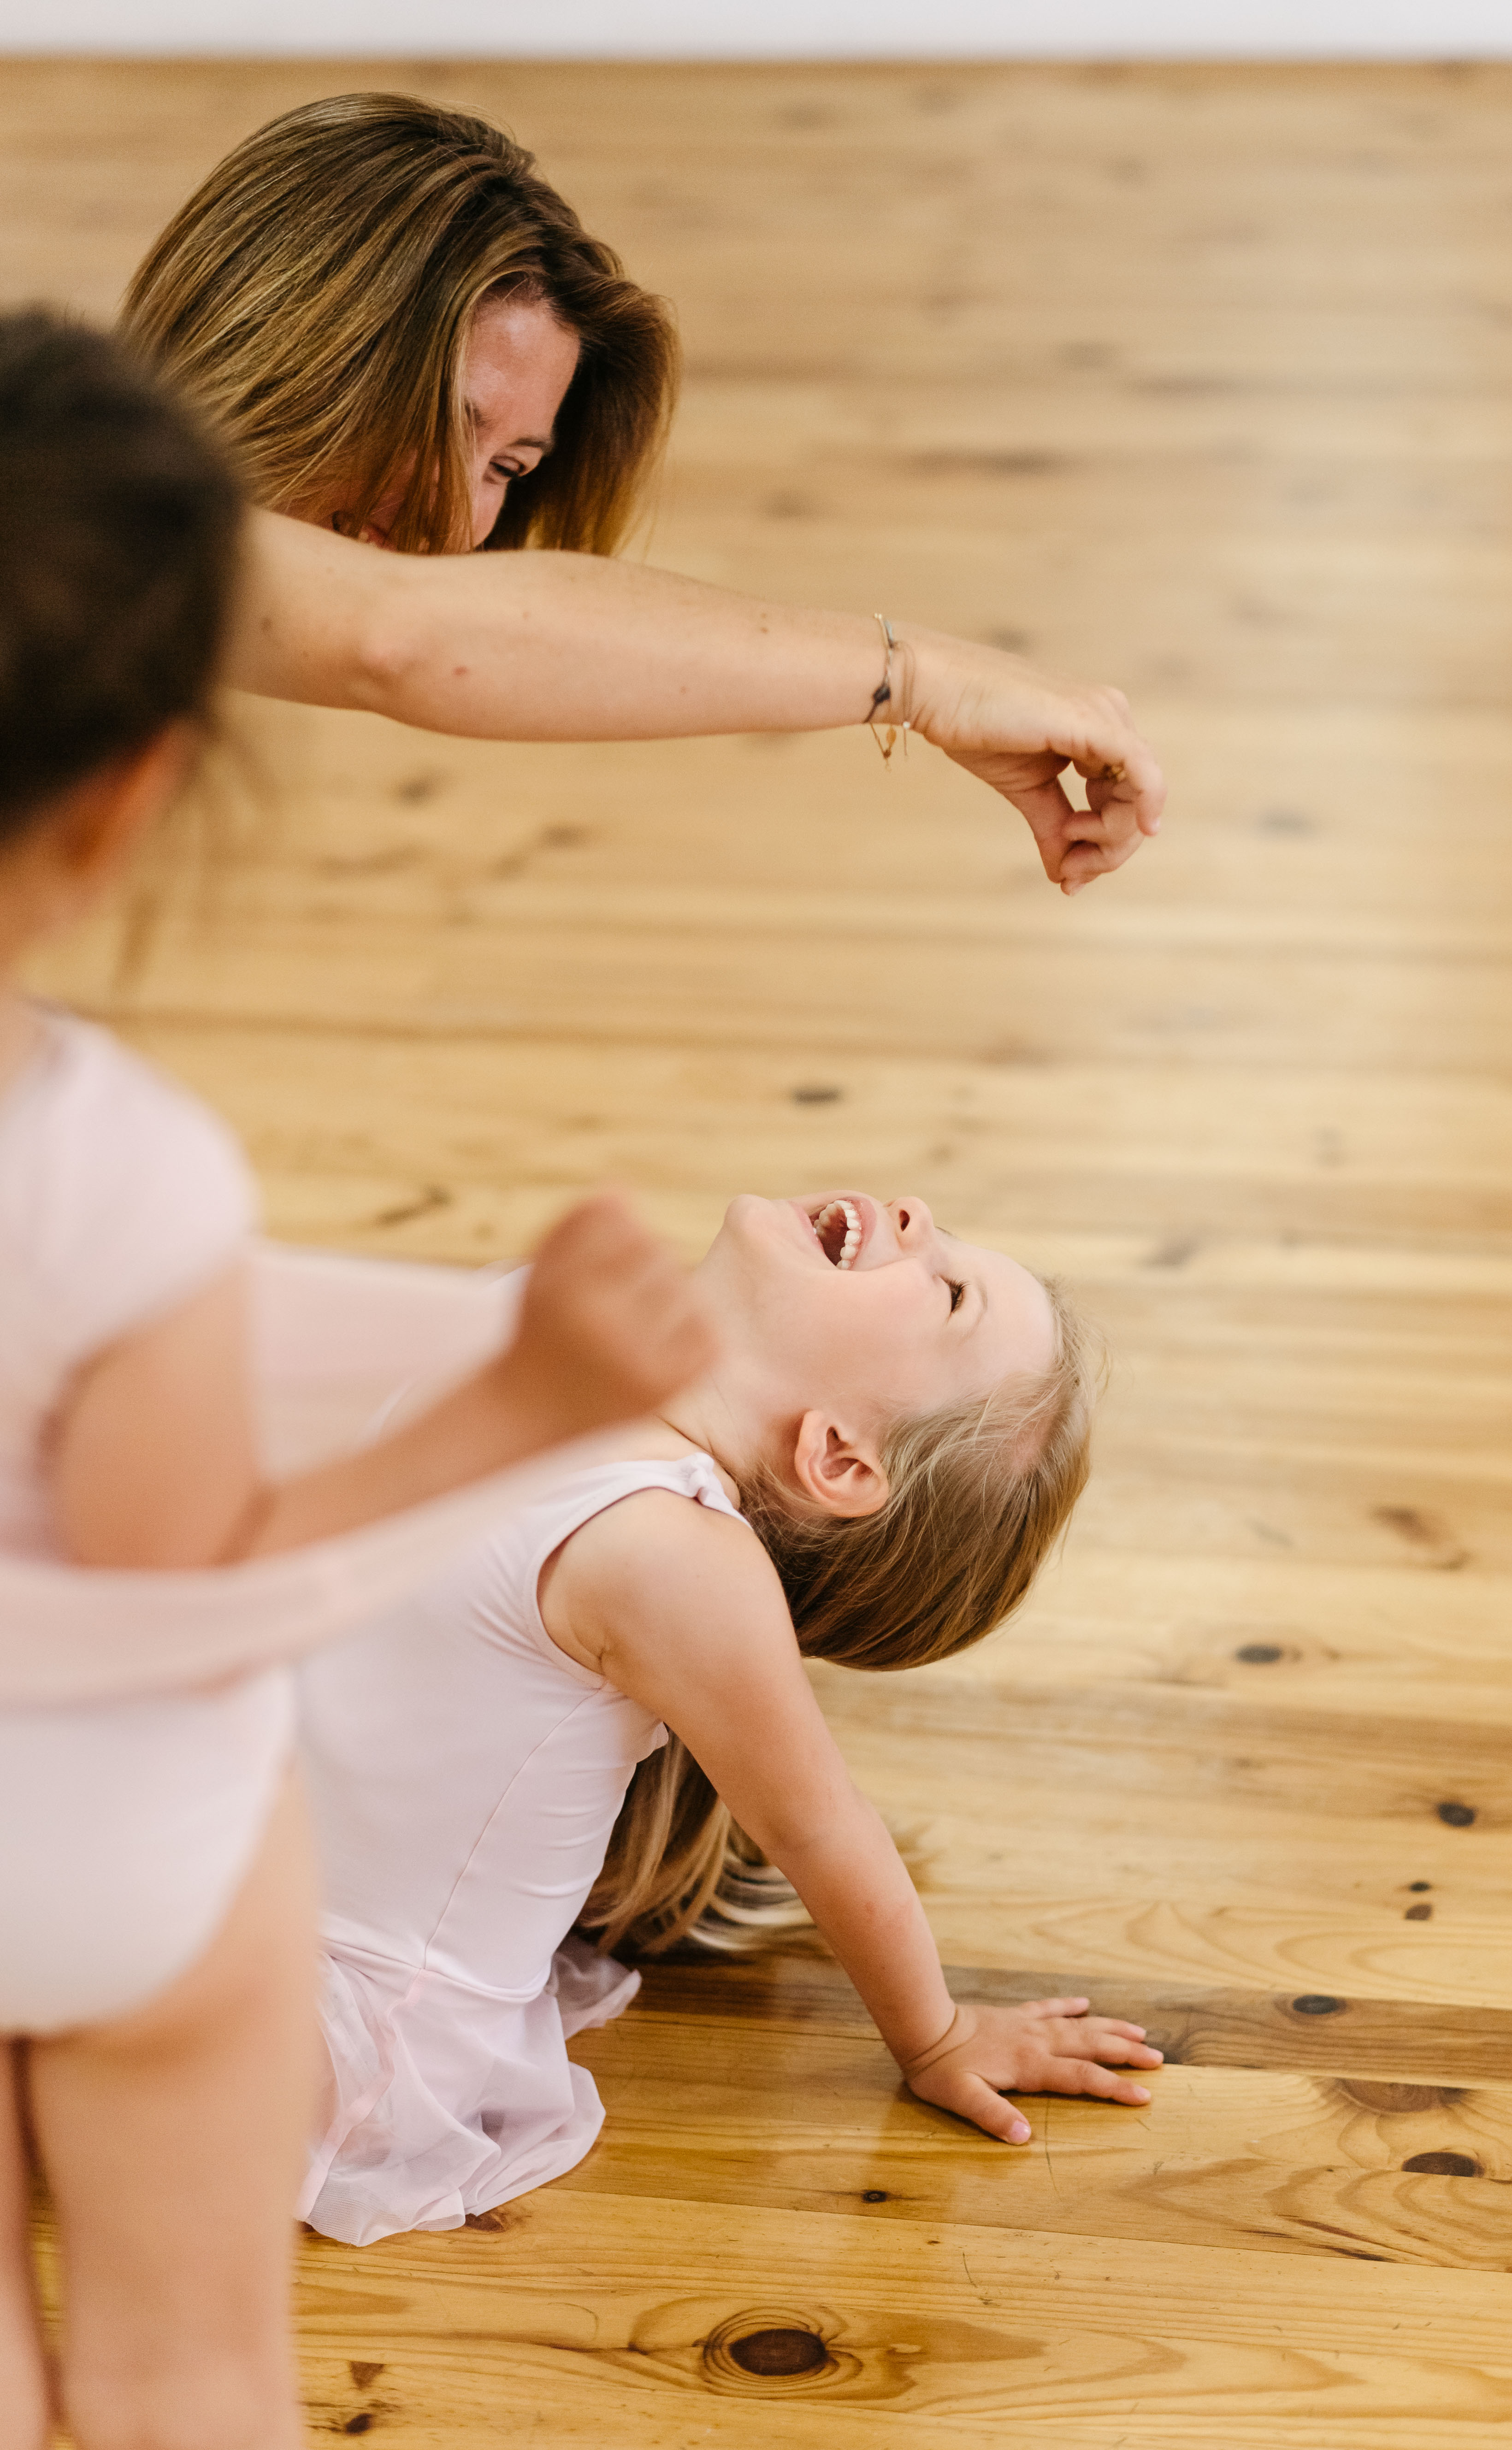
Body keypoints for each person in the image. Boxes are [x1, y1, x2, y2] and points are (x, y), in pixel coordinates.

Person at [0, 312, 713, 2450]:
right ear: (136, 790)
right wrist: (523, 1393)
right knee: (183, 2366)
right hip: (118, 1850)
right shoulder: (115, 1177)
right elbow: (181, 1560)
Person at [297, 1186, 1165, 2247]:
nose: (915, 1210)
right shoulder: (553, 1323)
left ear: (840, 1455)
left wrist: (937, 2037)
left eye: (945, 1292)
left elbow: (821, 1828)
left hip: (333, 2014)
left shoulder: (668, 1555)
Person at [121, 91, 1167, 899]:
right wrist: (920, 677)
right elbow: (403, 635)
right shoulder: (76, 507)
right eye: (451, 419)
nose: (456, 518)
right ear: (297, 337)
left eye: (510, 471)